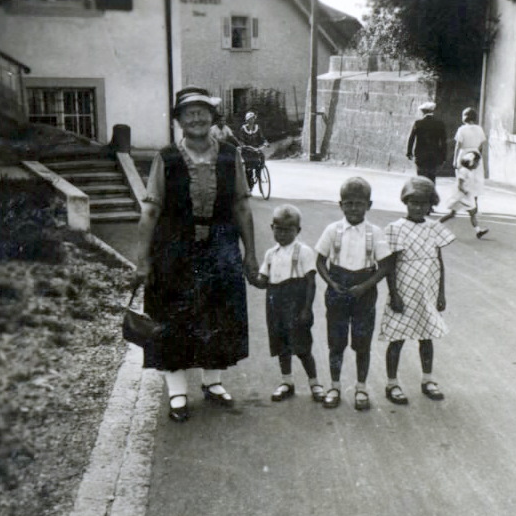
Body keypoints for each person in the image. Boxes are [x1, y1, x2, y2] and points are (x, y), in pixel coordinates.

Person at [135, 85, 259, 422]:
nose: (197, 118)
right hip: (173, 247)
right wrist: (142, 258)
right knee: (173, 317)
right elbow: (150, 210)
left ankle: (213, 383)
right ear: (178, 120)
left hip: (220, 244)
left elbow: (242, 207)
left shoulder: (229, 155)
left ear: (212, 117)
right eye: (189, 113)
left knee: (218, 312)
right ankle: (177, 393)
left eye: (203, 111)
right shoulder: (166, 158)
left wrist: (251, 254)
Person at [315, 177, 393, 411]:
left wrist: (366, 286)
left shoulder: (375, 232)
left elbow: (386, 265)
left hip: (364, 291)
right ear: (341, 205)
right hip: (337, 289)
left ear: (369, 205)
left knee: (362, 342)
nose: (354, 208)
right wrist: (331, 282)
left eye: (359, 204)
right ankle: (335, 386)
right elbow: (320, 261)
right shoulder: (333, 230)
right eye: (348, 203)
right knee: (336, 342)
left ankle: (361, 388)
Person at [379, 176, 455, 404]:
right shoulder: (395, 229)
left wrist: (441, 293)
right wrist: (394, 294)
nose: (418, 207)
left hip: (427, 289)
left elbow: (439, 262)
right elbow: (389, 266)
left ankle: (428, 379)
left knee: (426, 336)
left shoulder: (434, 228)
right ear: (405, 202)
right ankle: (392, 383)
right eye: (413, 202)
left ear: (431, 205)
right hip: (404, 290)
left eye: (423, 203)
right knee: (397, 338)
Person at [255, 204, 325, 403]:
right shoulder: (270, 254)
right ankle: (287, 382)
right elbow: (262, 280)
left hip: (296, 304)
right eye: (278, 229)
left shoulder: (304, 251)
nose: (283, 233)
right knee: (281, 345)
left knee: (302, 346)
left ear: (298, 230)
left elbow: (311, 282)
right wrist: (252, 275)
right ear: (272, 228)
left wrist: (307, 309)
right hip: (275, 303)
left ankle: (315, 383)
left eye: (288, 230)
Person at [439, 150, 489, 238]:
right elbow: (460, 185)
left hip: (466, 196)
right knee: (464, 213)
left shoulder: (470, 171)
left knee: (457, 214)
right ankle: (436, 224)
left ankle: (478, 231)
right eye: (477, 162)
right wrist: (465, 191)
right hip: (461, 196)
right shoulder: (463, 171)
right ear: (471, 162)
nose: (478, 164)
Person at [453, 106, 487, 223]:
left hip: (464, 154)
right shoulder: (479, 129)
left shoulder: (462, 129)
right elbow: (482, 145)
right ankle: (474, 204)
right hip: (475, 155)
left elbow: (458, 145)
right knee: (476, 180)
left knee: (463, 179)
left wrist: (454, 159)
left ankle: (465, 205)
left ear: (465, 117)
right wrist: (478, 157)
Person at [406, 101, 447, 185]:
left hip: (421, 155)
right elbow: (443, 142)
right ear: (432, 111)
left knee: (421, 177)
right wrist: (443, 156)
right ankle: (431, 194)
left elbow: (411, 139)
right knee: (432, 177)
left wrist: (409, 152)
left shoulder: (418, 123)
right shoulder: (440, 124)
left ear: (423, 111)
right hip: (434, 155)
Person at [238, 111, 269, 190]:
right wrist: (244, 146)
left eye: (253, 119)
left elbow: (262, 137)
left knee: (261, 157)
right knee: (249, 168)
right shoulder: (243, 129)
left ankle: (259, 172)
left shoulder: (257, 128)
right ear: (247, 120)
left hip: (256, 149)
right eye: (250, 119)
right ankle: (249, 184)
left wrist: (265, 142)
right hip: (247, 150)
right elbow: (241, 140)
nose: (252, 121)